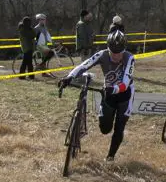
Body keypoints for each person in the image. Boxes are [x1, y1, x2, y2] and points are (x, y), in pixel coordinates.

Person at [58, 30, 135, 162]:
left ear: (124, 50)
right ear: (108, 48)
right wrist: (69, 77)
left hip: (125, 94)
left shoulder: (129, 57)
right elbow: (84, 65)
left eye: (119, 53)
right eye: (113, 52)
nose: (116, 56)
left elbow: (126, 82)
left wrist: (114, 89)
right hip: (109, 92)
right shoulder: (102, 54)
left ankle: (110, 157)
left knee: (119, 127)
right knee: (105, 129)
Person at [17, 16, 36, 80]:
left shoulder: (24, 28)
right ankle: (29, 76)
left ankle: (24, 76)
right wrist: (31, 29)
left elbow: (33, 35)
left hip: (27, 47)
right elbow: (32, 35)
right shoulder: (24, 30)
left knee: (26, 62)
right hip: (27, 47)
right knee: (27, 62)